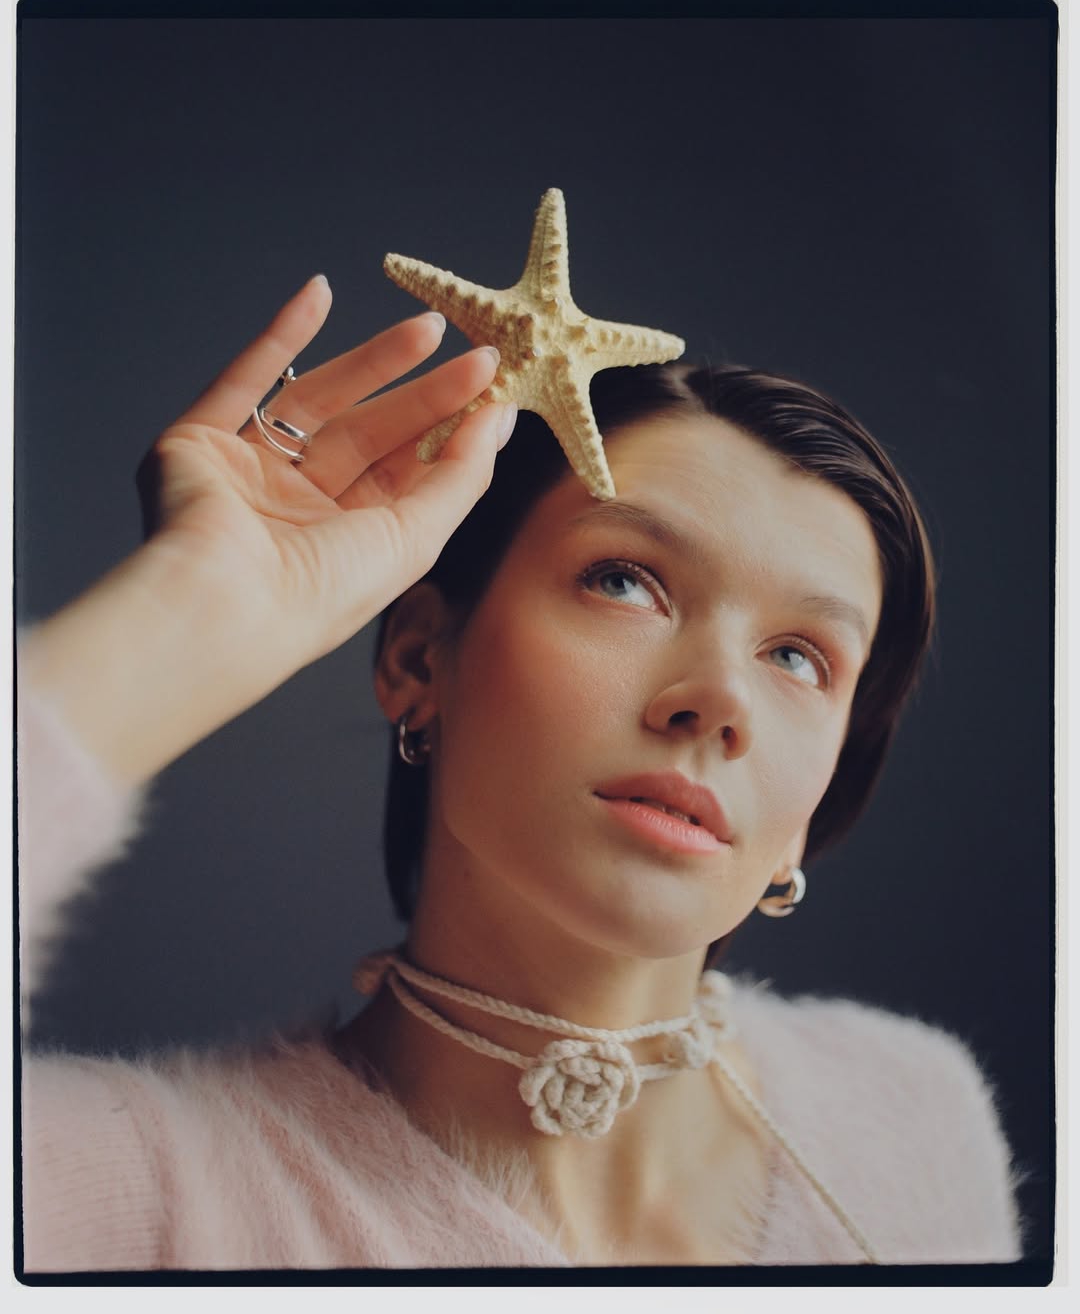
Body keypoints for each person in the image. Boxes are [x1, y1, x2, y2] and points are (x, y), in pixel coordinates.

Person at [18, 275, 1021, 1271]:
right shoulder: (136, 1201)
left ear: (815, 804)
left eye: (799, 657)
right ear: (419, 658)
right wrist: (188, 611)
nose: (720, 700)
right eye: (624, 581)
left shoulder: (914, 1119)